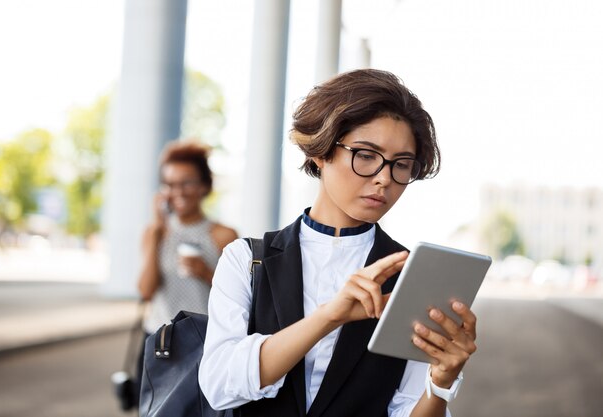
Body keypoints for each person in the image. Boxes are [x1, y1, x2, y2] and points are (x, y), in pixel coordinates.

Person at [199, 69, 478, 417]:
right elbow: (218, 384)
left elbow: (407, 408)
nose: (383, 178)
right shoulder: (248, 260)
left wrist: (441, 384)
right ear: (321, 150)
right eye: (365, 155)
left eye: (401, 164)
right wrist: (329, 317)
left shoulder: (412, 277)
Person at [135, 139, 238, 402]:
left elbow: (239, 297)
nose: (177, 191)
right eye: (169, 184)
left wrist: (205, 271)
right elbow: (146, 291)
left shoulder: (223, 235)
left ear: (204, 186)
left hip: (203, 343)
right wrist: (158, 232)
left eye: (186, 183)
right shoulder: (155, 232)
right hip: (159, 341)